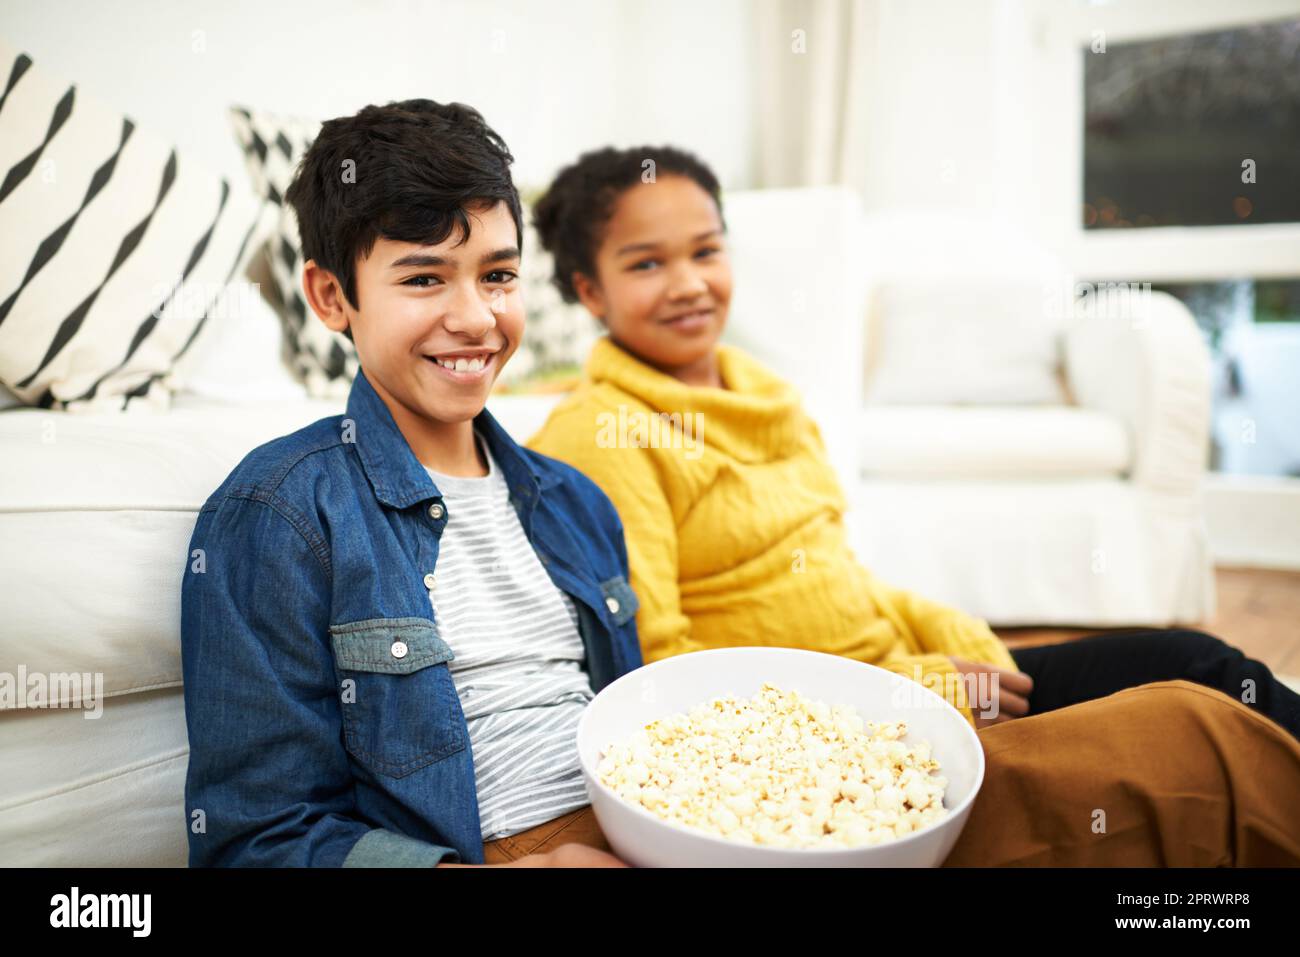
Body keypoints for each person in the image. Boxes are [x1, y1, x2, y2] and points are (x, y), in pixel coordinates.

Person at [524, 143, 1300, 745]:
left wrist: (945, 630)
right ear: (590, 290)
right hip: (839, 729)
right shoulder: (603, 435)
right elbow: (667, 669)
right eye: (647, 263)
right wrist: (910, 690)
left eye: (705, 250)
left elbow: (839, 577)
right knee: (1188, 719)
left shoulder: (763, 392)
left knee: (1199, 666)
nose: (689, 282)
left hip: (912, 676)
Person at [180, 99, 630, 867]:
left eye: (498, 275)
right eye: (424, 278)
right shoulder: (280, 514)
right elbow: (255, 839)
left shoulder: (578, 503)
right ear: (331, 298)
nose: (476, 318)